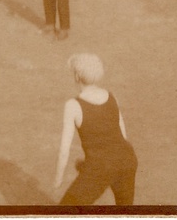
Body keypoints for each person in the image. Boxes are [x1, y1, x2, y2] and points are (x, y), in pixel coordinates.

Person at [54, 54, 137, 206]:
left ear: (77, 76)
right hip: (127, 159)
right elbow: (122, 135)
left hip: (101, 167)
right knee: (125, 211)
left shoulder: (73, 105)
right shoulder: (112, 96)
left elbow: (64, 151)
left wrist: (58, 178)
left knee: (65, 211)